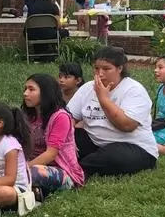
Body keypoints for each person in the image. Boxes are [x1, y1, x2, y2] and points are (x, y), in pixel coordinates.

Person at [67, 46, 158, 178]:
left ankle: (74, 172)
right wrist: (67, 140)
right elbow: (69, 118)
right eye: (97, 68)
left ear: (120, 68)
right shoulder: (87, 88)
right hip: (94, 141)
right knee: (65, 139)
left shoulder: (134, 90)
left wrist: (103, 98)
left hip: (133, 147)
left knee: (112, 157)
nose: (100, 73)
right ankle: (69, 162)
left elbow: (126, 125)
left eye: (106, 68)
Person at [22, 74, 84, 196]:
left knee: (32, 173)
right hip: (29, 163)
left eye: (31, 89)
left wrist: (23, 168)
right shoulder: (28, 116)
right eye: (25, 89)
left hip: (60, 171)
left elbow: (51, 154)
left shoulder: (60, 117)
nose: (25, 93)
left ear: (45, 93)